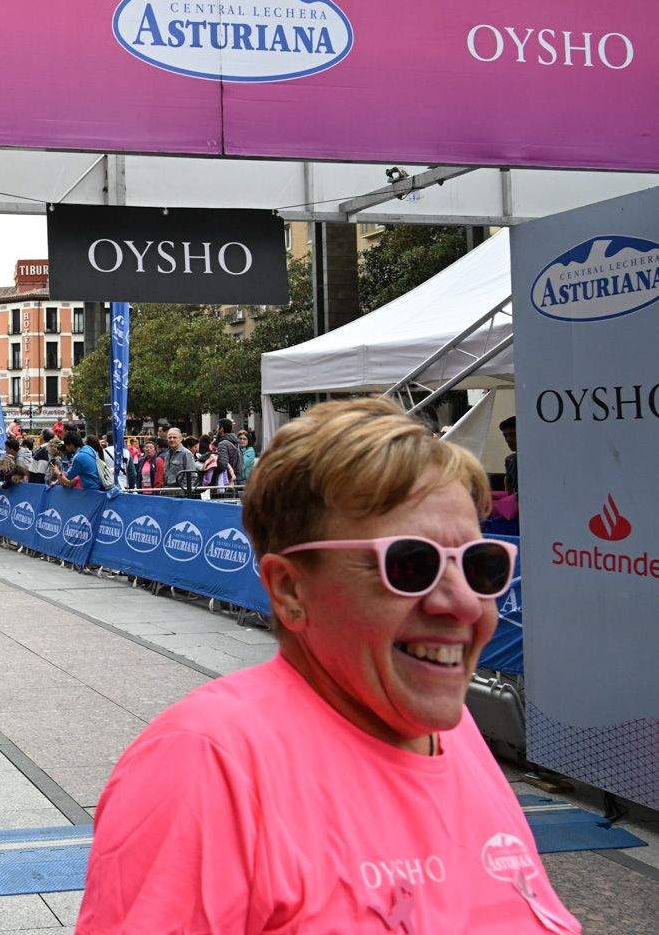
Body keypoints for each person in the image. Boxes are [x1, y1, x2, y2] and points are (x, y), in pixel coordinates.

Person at [77, 398, 577, 934]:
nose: (462, 605)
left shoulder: (453, 734)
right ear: (290, 588)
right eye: (411, 564)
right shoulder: (207, 767)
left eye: (480, 565)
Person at [499, 415, 518, 496]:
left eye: (513, 434)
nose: (508, 439)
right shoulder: (510, 460)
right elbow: (509, 492)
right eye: (505, 436)